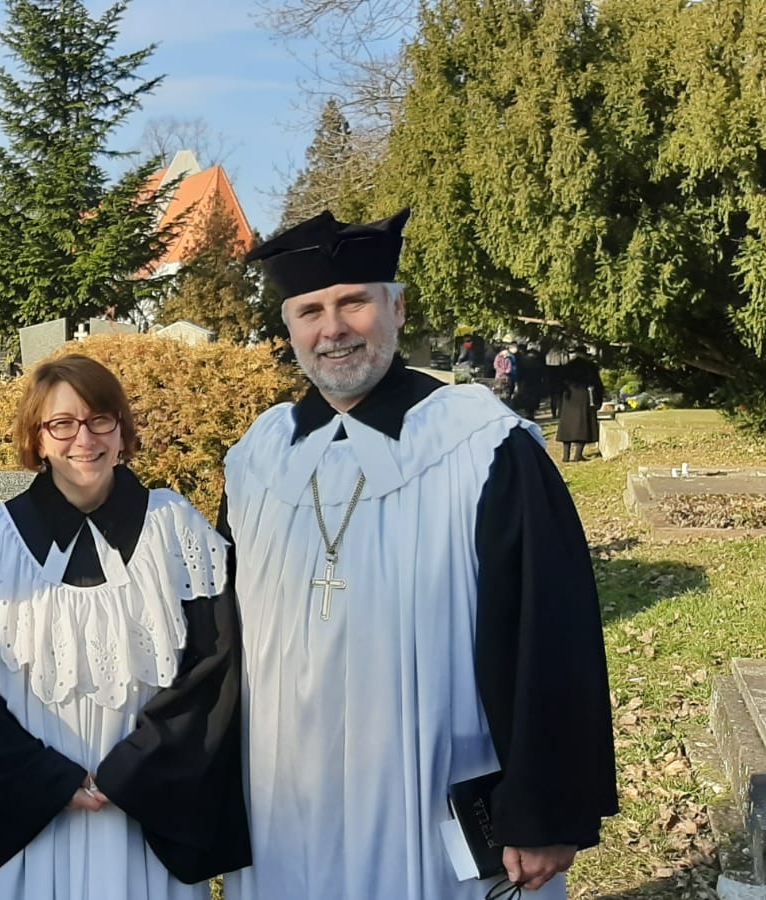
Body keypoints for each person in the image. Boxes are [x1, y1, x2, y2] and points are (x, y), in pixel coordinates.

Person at [221, 210, 617, 899]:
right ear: (289, 328)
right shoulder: (260, 456)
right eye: (310, 311)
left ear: (397, 308)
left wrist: (546, 810)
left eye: (353, 302)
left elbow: (548, 630)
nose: (333, 329)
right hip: (285, 801)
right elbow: (220, 637)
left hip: (432, 788)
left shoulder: (481, 444)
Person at [0, 355, 250, 899]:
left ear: (122, 430)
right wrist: (51, 782)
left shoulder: (175, 531)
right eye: (62, 423)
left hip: (146, 811)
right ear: (37, 437)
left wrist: (131, 772)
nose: (85, 438)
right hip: (29, 815)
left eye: (100, 419)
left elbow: (212, 668)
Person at [556, 353, 605, 462]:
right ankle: (578, 455)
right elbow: (597, 384)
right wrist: (598, 400)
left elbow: (559, 384)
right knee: (583, 425)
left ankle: (566, 455)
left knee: (567, 425)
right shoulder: (590, 366)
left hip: (568, 397)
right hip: (584, 396)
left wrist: (559, 402)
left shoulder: (567, 366)